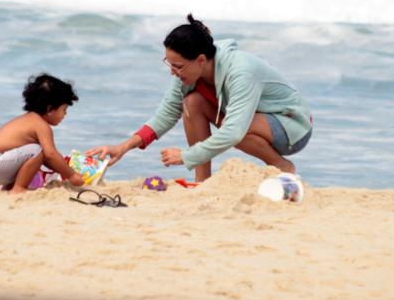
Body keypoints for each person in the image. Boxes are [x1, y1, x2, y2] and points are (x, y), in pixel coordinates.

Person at [88, 15, 313, 182]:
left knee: (230, 126)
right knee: (192, 102)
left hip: (291, 127)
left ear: (201, 60)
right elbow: (165, 115)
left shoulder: (241, 72)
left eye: (177, 66)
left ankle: (282, 166)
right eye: (168, 64)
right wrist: (123, 147)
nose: (172, 72)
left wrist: (187, 155)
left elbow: (233, 131)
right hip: (252, 123)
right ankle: (202, 181)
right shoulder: (187, 74)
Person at [0, 73, 85, 193]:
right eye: (64, 110)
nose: (65, 115)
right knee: (37, 150)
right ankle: (19, 188)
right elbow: (51, 154)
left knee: (35, 152)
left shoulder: (28, 119)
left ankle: (9, 188)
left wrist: (63, 169)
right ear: (50, 109)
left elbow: (47, 159)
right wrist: (71, 175)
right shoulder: (41, 126)